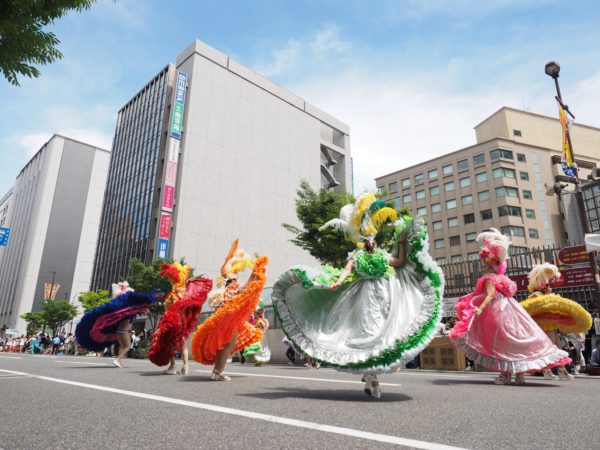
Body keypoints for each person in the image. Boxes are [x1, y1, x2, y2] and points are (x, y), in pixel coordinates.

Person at [272, 192, 444, 398]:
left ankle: (370, 375)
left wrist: (401, 242)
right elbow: (346, 271)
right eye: (367, 240)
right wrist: (337, 282)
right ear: (362, 242)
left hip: (383, 297)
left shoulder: (382, 256)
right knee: (367, 333)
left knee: (381, 333)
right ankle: (373, 378)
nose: (371, 243)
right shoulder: (357, 256)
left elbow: (398, 263)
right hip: (361, 298)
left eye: (373, 239)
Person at [450, 229, 571, 385]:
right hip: (514, 313)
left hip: (498, 313)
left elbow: (490, 295)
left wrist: (480, 308)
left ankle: (505, 375)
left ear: (490, 265)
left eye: (485, 263)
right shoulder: (503, 279)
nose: (483, 267)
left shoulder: (489, 278)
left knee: (502, 344)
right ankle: (519, 376)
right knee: (516, 342)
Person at [191, 239, 268, 381]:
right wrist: (257, 271)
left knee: (224, 346)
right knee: (227, 346)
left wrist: (255, 272)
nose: (238, 275)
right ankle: (218, 372)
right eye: (236, 273)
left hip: (224, 321)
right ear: (233, 276)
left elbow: (244, 288)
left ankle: (216, 372)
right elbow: (247, 288)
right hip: (229, 322)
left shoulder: (224, 289)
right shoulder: (233, 288)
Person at [148, 262, 212, 375]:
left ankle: (173, 367)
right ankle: (185, 366)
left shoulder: (175, 292)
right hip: (182, 321)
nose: (169, 279)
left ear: (175, 277)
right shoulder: (186, 291)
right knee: (182, 343)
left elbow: (171, 307)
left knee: (169, 343)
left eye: (170, 277)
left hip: (171, 320)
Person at [75, 281, 155, 368]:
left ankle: (119, 361)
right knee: (127, 346)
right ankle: (117, 359)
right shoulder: (128, 313)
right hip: (123, 332)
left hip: (118, 332)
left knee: (122, 346)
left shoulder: (123, 313)